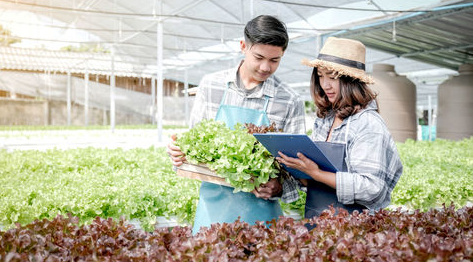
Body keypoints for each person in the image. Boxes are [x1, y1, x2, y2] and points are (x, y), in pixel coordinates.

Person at [167, 15, 306, 233]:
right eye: (259, 57)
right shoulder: (211, 86)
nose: (265, 67)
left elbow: (298, 173)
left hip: (263, 217)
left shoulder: (290, 101)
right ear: (243, 46)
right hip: (212, 213)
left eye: (274, 60)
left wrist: (278, 187)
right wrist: (178, 152)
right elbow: (192, 148)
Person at [276, 37, 403, 222]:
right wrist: (299, 169)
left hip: (354, 229)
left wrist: (316, 173)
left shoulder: (368, 123)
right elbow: (314, 180)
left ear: (352, 80)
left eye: (332, 77)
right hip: (316, 221)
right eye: (320, 76)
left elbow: (372, 188)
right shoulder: (325, 119)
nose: (325, 85)